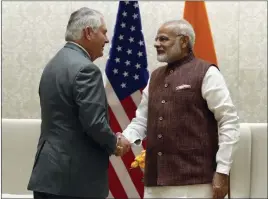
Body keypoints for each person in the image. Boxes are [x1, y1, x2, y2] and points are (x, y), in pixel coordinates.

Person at [122, 19, 240, 199]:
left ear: (184, 41)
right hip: (155, 183)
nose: (156, 44)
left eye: (163, 39)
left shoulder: (207, 72)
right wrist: (125, 139)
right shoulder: (155, 77)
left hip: (194, 184)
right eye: (156, 39)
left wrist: (223, 170)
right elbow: (142, 121)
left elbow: (228, 121)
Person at [27, 7, 130, 199]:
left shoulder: (53, 64)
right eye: (104, 32)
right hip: (76, 182)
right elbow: (95, 123)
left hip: (48, 176)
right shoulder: (86, 70)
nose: (107, 40)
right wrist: (115, 143)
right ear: (88, 33)